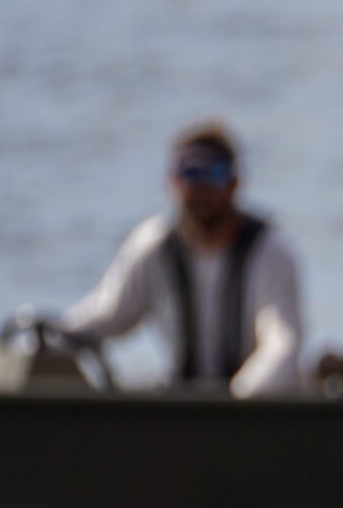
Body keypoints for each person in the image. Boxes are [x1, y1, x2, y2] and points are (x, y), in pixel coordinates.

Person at [61, 122, 305, 397]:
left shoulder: (270, 250)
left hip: (252, 407)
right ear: (171, 182)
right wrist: (50, 333)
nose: (201, 188)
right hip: (182, 404)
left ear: (234, 183)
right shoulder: (153, 245)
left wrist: (237, 400)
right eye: (190, 173)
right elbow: (106, 316)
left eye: (214, 174)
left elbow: (281, 346)